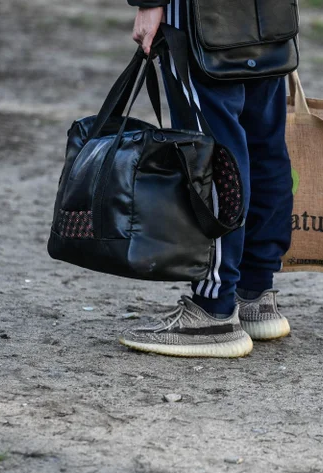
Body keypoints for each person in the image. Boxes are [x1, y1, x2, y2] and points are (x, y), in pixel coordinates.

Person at [118, 0, 295, 358]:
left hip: (200, 18)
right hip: (269, 15)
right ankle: (255, 294)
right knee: (264, 146)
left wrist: (151, 3)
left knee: (211, 153)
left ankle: (213, 310)